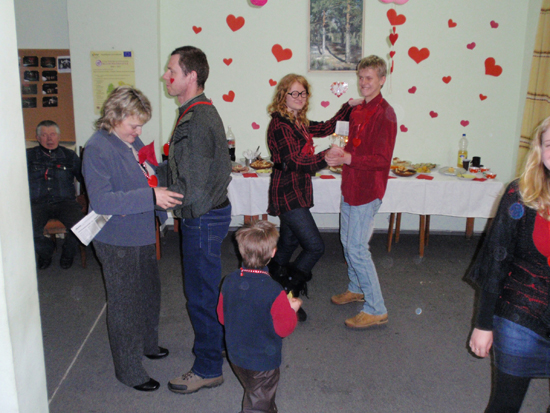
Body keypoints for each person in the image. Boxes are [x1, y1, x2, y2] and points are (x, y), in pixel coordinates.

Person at [82, 86, 183, 391]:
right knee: (125, 304)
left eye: (141, 126)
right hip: (116, 238)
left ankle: (147, 343)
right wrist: (151, 196)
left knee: (149, 293)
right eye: (134, 125)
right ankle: (128, 370)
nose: (139, 132)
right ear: (114, 116)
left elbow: (147, 172)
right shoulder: (97, 148)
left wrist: (175, 167)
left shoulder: (130, 140)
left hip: (141, 230)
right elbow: (102, 201)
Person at [158, 46, 232, 395]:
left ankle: (208, 368)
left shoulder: (197, 119)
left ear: (191, 76)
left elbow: (195, 187)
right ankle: (215, 345)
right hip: (208, 213)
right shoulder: (195, 111)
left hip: (202, 216)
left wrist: (165, 200)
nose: (165, 75)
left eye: (171, 70)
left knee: (200, 295)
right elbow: (188, 171)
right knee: (206, 290)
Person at [467, 116, 550, 412]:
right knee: (505, 406)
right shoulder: (521, 194)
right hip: (521, 314)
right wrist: (483, 324)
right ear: (540, 150)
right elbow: (496, 261)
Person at [266, 73, 362, 322]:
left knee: (288, 242)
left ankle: (267, 289)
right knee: (315, 246)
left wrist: (348, 106)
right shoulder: (280, 125)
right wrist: (324, 157)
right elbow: (294, 161)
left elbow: (327, 127)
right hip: (287, 191)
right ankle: (288, 292)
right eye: (294, 93)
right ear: (283, 96)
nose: (300, 97)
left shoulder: (298, 121)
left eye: (303, 93)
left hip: (297, 189)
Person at [325, 55, 397, 329]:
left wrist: (347, 158)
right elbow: (351, 144)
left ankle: (376, 308)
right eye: (361, 77)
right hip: (351, 185)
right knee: (347, 242)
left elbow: (382, 159)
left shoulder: (386, 114)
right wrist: (341, 155)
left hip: (367, 190)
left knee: (356, 248)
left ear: (382, 79)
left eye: (369, 78)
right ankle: (356, 288)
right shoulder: (359, 110)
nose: (364, 82)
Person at [217, 220, 301, 413]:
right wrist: (291, 310)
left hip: (236, 355)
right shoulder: (274, 290)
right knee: (258, 402)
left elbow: (222, 318)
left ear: (241, 251)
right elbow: (284, 329)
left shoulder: (228, 281)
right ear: (273, 252)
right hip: (262, 362)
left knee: (257, 392)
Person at [27, 120, 84, 270]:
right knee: (27, 230)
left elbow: (84, 178)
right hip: (37, 203)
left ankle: (67, 253)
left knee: (81, 227)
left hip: (65, 202)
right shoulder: (28, 156)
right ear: (37, 138)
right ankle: (47, 252)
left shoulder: (69, 156)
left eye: (52, 134)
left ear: (59, 136)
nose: (49, 139)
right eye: (44, 135)